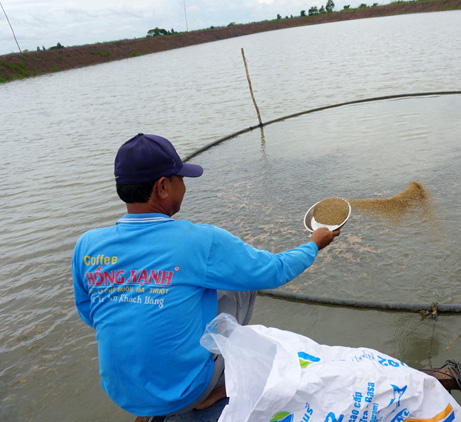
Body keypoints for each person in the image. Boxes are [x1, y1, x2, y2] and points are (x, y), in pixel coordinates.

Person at [71, 133, 339, 420]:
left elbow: (91, 315)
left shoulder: (87, 245)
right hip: (186, 390)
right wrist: (314, 244)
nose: (184, 186)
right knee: (242, 284)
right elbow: (273, 271)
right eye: (180, 179)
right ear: (163, 187)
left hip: (122, 392)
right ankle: (214, 391)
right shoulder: (199, 240)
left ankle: (148, 406)